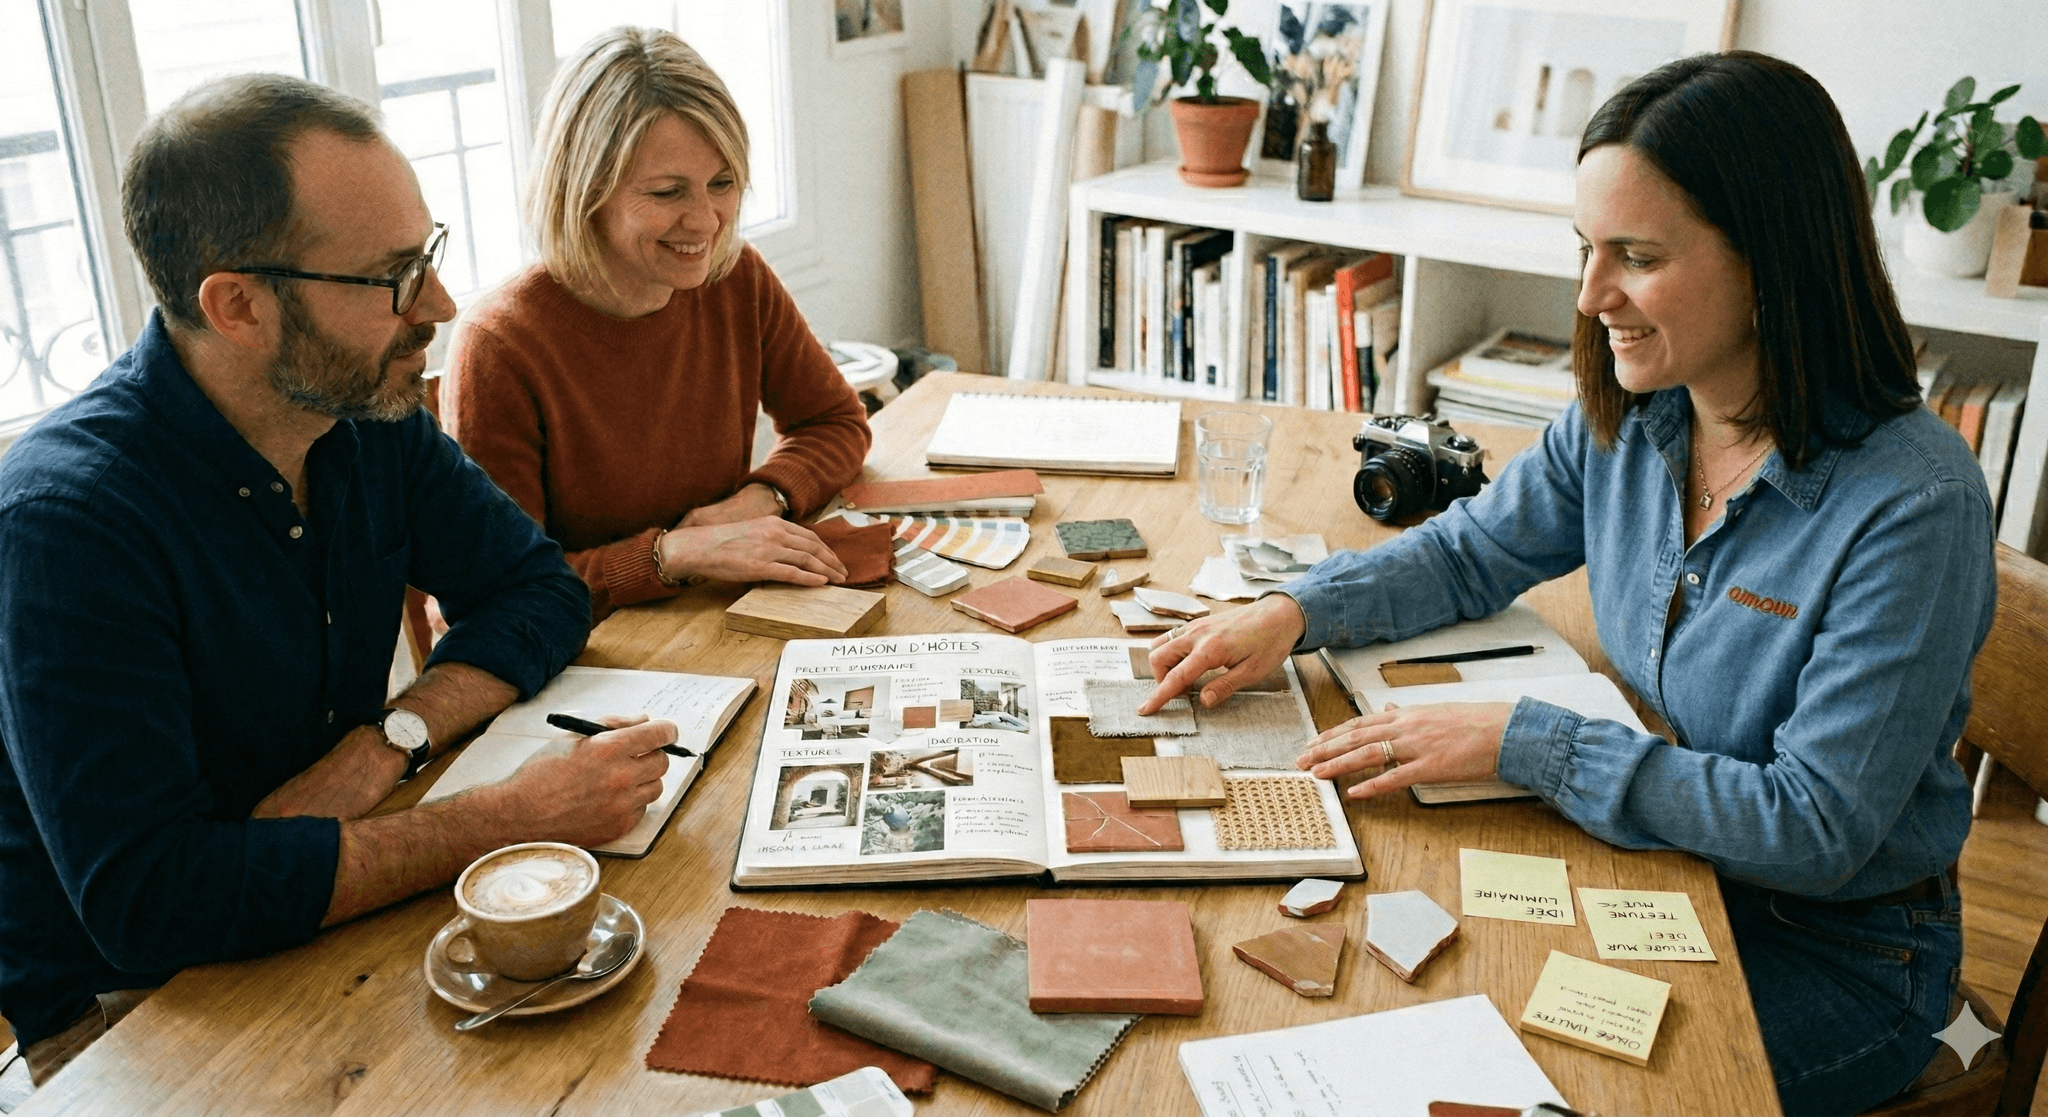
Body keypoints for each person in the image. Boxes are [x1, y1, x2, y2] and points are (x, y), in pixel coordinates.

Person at [1142, 52, 1995, 1114]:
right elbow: (1469, 552)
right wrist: (1294, 609)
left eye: (1637, 256)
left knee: (1498, 1087)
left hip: (1830, 950)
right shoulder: (1637, 411)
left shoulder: (1914, 505)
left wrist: (1527, 740)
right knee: (1385, 1005)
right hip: (1662, 867)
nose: (1591, 297)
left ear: (1771, 259)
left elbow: (1812, 825)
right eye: (1586, 249)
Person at [0, 75, 678, 1085]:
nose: (438, 306)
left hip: (348, 887)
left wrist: (388, 742)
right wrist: (503, 817)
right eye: (393, 276)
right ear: (238, 306)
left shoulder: (362, 413)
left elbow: (539, 588)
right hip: (137, 1014)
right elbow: (153, 904)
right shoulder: (66, 523)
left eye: (427, 254)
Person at [442, 27, 870, 621]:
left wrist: (760, 498)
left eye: (722, 183)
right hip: (584, 648)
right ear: (584, 192)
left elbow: (836, 422)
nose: (707, 222)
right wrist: (674, 555)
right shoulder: (499, 346)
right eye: (668, 192)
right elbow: (494, 592)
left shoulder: (734, 275)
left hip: (710, 615)